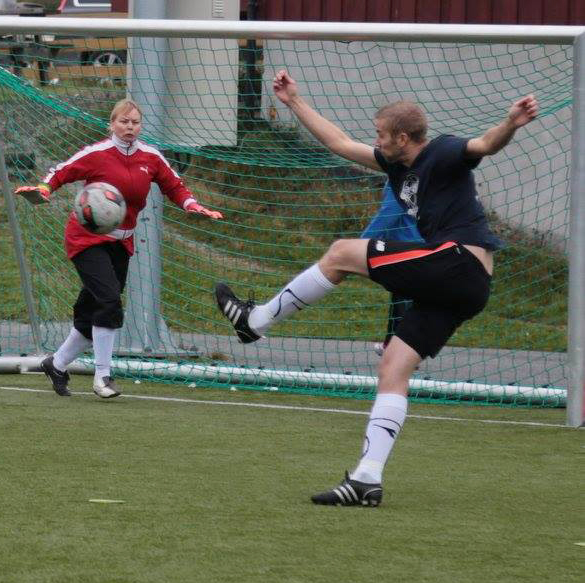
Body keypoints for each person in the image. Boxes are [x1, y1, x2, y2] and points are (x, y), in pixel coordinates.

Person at [214, 70, 539, 507]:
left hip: (458, 263)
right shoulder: (395, 162)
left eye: (382, 134)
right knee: (392, 368)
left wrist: (510, 124)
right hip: (465, 287)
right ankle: (367, 479)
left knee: (342, 252)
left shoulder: (441, 152)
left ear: (404, 137)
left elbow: (482, 145)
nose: (377, 140)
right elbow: (339, 144)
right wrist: (294, 101)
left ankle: (255, 321)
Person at [15, 99, 223, 399]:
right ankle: (103, 377)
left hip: (122, 242)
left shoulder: (151, 157)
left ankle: (56, 364)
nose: (130, 127)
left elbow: (175, 185)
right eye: (124, 121)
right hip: (86, 239)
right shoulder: (96, 154)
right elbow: (61, 171)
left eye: (135, 122)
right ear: (111, 124)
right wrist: (44, 189)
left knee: (93, 313)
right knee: (110, 300)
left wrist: (192, 205)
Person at [360, 185, 421, 356]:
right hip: (427, 245)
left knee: (403, 298)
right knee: (403, 297)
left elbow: (389, 213)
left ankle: (401, 351)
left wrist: (359, 243)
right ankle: (392, 345)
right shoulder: (425, 174)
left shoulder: (402, 179)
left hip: (406, 248)